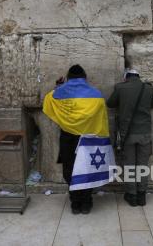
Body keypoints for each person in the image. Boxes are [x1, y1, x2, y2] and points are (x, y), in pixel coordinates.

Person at [43, 65, 109, 214]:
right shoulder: (96, 94)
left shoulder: (59, 93)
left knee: (70, 169)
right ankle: (86, 203)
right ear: (84, 77)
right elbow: (101, 118)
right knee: (87, 169)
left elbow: (48, 101)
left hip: (68, 138)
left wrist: (59, 86)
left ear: (68, 77)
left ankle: (75, 203)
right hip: (88, 139)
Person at [107, 69, 153, 206]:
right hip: (144, 133)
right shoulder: (148, 89)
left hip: (127, 134)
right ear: (138, 77)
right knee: (142, 165)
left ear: (125, 78)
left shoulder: (120, 87)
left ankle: (132, 195)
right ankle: (142, 196)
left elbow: (110, 103)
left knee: (129, 165)